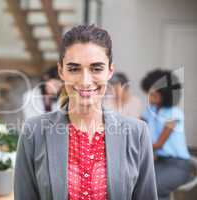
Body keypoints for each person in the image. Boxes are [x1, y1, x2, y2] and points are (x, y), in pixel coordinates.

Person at [14, 25, 157, 200]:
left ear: (110, 71)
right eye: (74, 69)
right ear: (61, 72)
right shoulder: (33, 131)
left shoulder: (138, 133)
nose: (85, 81)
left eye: (96, 68)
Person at [141, 69, 191, 200]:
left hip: (178, 165)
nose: (149, 98)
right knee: (136, 183)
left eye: (154, 95)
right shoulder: (150, 109)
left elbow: (158, 144)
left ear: (165, 95)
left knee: (153, 187)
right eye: (149, 94)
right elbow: (137, 126)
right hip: (159, 162)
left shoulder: (173, 113)